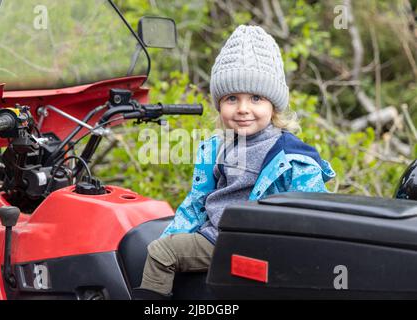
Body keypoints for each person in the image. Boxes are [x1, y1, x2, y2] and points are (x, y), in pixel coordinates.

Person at [133, 25, 336, 299]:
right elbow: (196, 204)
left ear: (273, 105)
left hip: (254, 246)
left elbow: (315, 213)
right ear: (219, 105)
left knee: (161, 254)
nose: (242, 108)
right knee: (160, 247)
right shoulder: (217, 148)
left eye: (255, 98)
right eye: (231, 98)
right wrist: (171, 235)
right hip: (215, 238)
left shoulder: (292, 157)